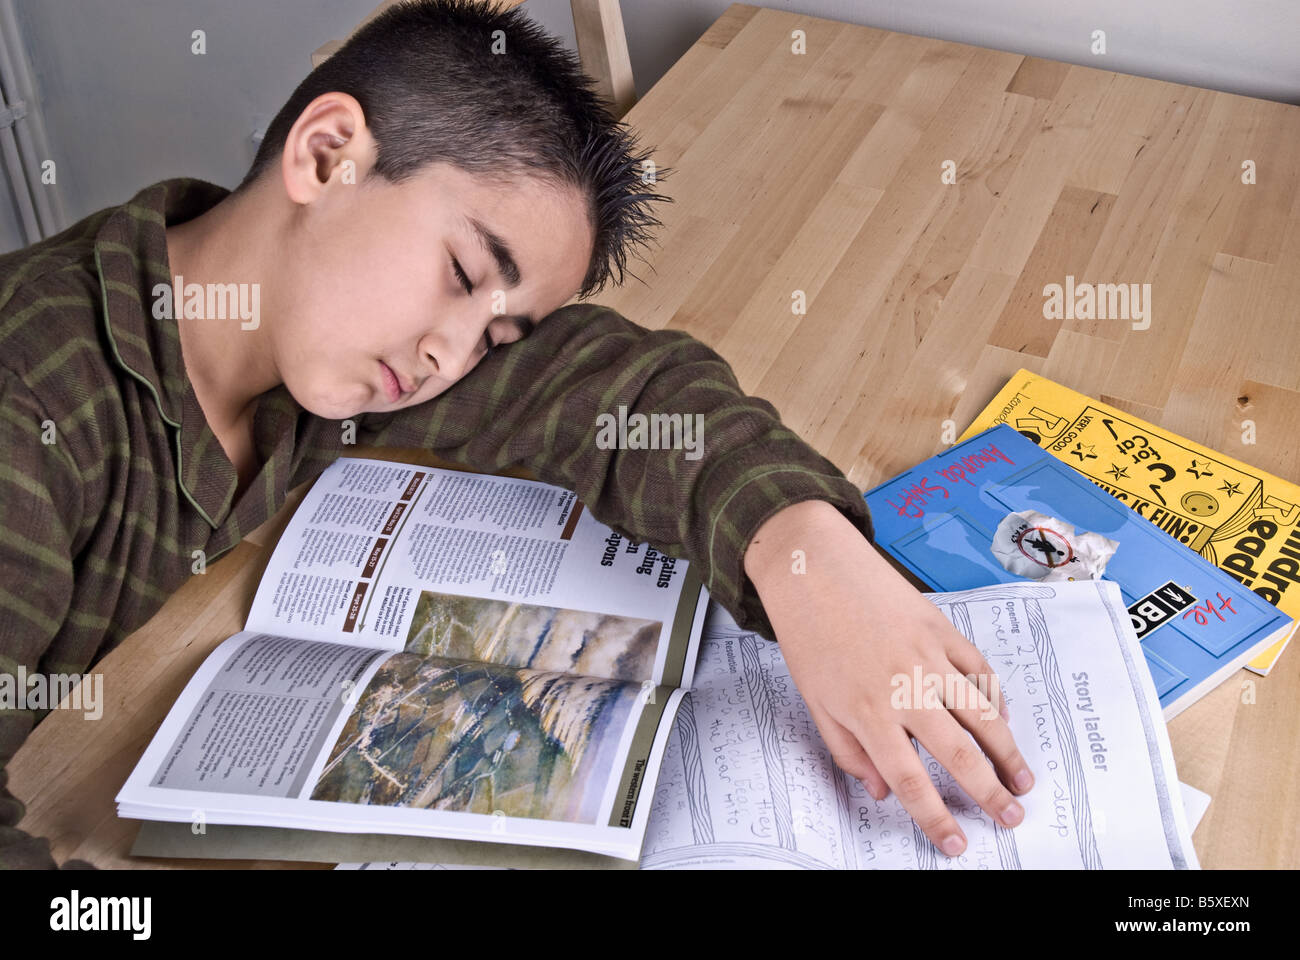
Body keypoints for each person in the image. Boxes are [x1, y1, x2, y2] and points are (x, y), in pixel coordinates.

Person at [0, 0, 1032, 870]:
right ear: (327, 155)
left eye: (498, 328)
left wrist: (808, 555)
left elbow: (622, 389)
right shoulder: (30, 406)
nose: (453, 353)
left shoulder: (335, 352)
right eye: (460, 272)